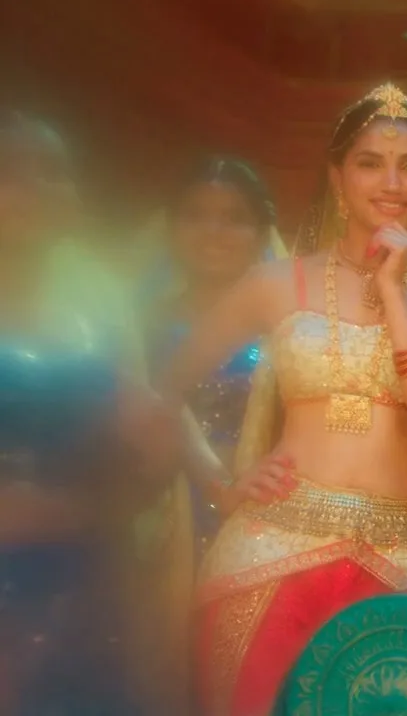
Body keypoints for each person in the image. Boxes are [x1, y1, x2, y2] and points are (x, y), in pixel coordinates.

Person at [168, 83, 407, 716]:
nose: (391, 182)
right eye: (370, 163)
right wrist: (220, 483)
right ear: (337, 178)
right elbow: (162, 387)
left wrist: (393, 292)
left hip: (403, 562)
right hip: (270, 550)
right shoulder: (275, 282)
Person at [0, 112, 189, 713]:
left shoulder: (96, 297)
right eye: (13, 172)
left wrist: (158, 456)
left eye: (53, 173)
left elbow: (144, 430)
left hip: (88, 580)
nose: (37, 188)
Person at [149, 158, 281, 555]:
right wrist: (218, 487)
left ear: (262, 235)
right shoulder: (139, 327)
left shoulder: (292, 330)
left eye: (234, 218)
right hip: (163, 512)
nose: (213, 232)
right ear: (170, 228)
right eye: (195, 216)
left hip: (268, 514)